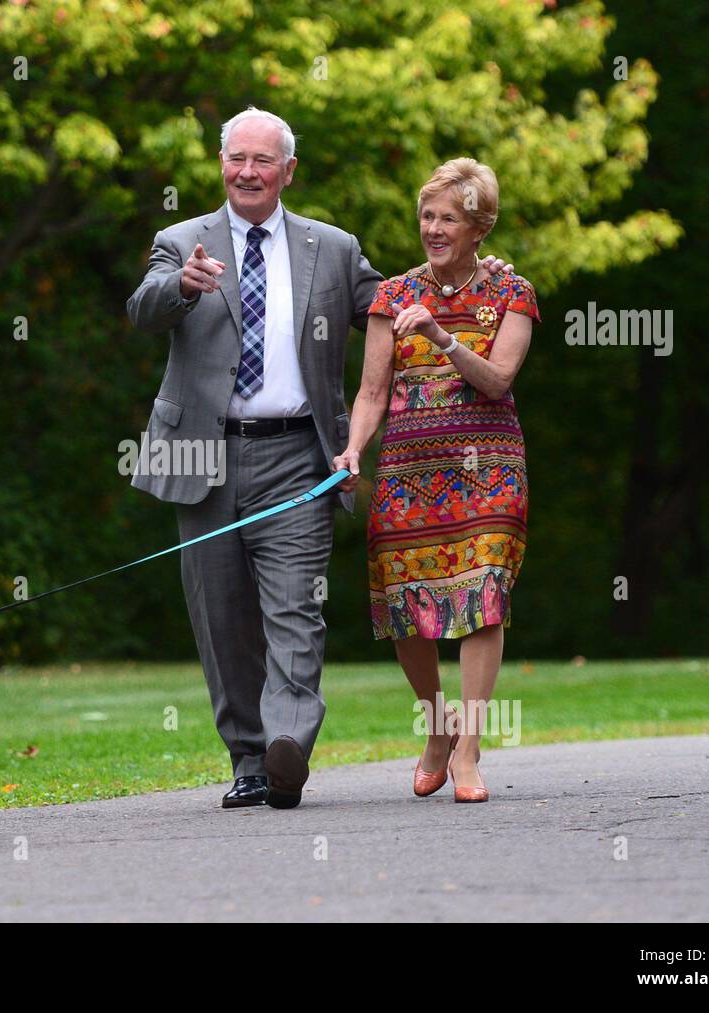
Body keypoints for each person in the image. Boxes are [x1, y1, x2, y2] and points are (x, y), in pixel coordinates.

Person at [127, 111, 511, 809]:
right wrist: (182, 285)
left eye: (262, 161)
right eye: (236, 158)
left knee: (296, 611)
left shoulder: (329, 248)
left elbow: (403, 299)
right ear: (220, 163)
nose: (247, 171)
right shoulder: (181, 241)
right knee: (222, 616)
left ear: (288, 171)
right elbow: (143, 308)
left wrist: (480, 271)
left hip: (300, 453)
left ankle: (288, 746)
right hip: (202, 455)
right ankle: (248, 756)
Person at [333, 157, 539, 803]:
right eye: (427, 215)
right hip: (407, 470)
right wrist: (351, 450)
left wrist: (443, 338)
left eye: (449, 217)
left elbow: (499, 379)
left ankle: (471, 748)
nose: (433, 228)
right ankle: (438, 723)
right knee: (406, 607)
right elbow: (371, 391)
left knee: (484, 593)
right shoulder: (391, 296)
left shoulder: (513, 292)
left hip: (488, 469)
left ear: (480, 227)